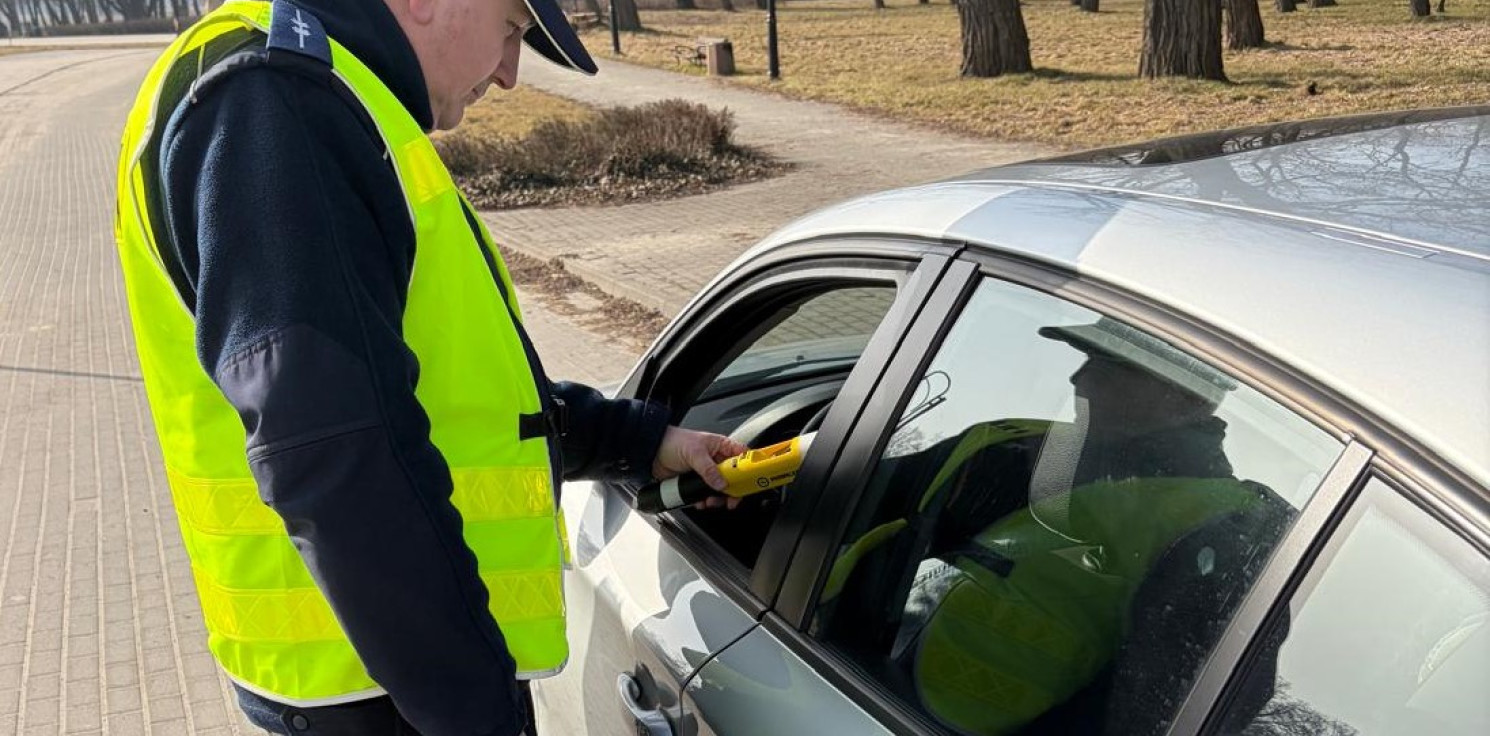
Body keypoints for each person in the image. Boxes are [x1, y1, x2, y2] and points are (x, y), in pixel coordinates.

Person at [113, 1, 746, 734]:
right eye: (512, 30)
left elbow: (447, 395)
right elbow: (337, 460)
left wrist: (637, 442)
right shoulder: (276, 103)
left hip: (382, 688)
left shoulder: (319, 97)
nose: (510, 75)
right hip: (384, 701)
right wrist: (477, 715)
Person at [822, 319, 1289, 735]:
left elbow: (1164, 712)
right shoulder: (1004, 450)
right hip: (848, 683)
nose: (1077, 377)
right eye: (1087, 357)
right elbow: (844, 495)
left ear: (1187, 397)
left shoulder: (1228, 535)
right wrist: (756, 482)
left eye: (1109, 364)